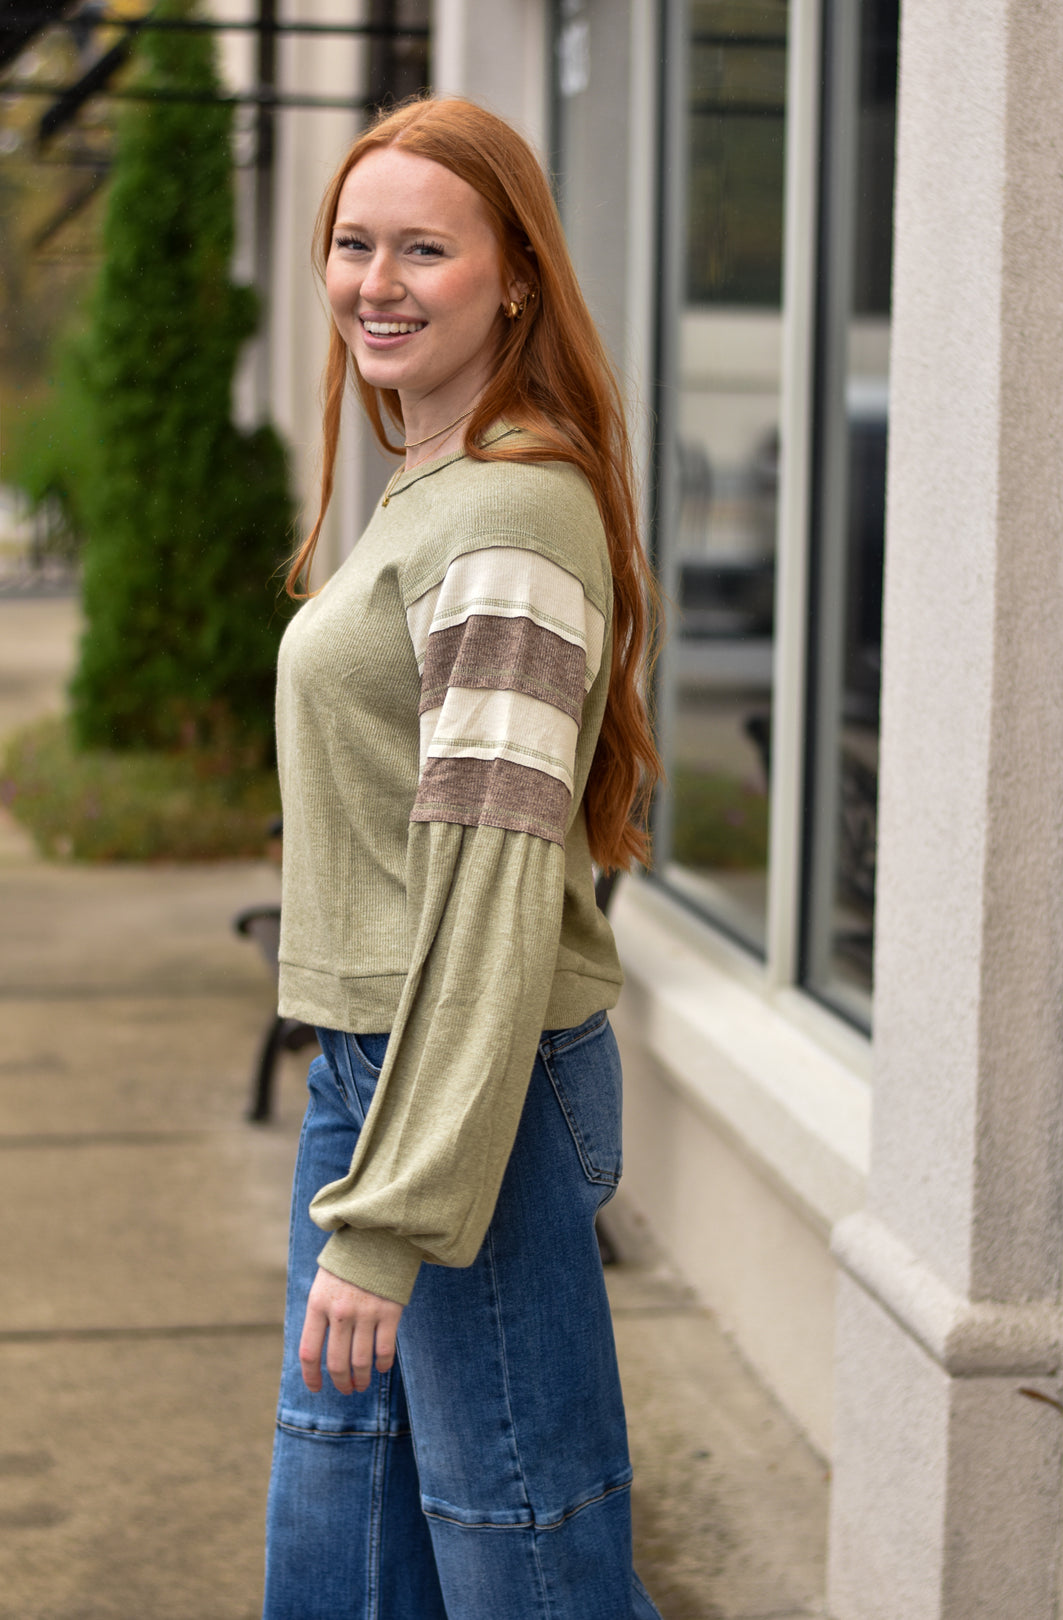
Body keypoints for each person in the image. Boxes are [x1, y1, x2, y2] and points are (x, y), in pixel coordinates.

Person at [265, 94, 663, 1620]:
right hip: (380, 1078)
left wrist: (391, 1216)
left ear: (514, 278)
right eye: (354, 242)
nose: (378, 279)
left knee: (526, 1565)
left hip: (459, 1105)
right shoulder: (433, 493)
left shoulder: (504, 516)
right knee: (353, 1565)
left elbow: (492, 907)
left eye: (424, 247)